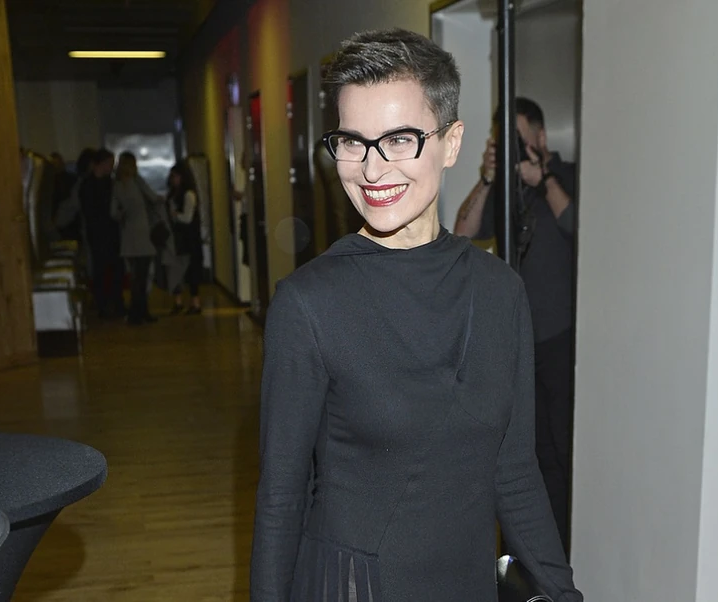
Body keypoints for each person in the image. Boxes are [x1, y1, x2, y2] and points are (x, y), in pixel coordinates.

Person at [250, 28, 583, 602]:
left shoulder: (501, 292)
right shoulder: (308, 304)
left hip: (467, 583)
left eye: (399, 139)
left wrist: (564, 593)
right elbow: (281, 497)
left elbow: (515, 473)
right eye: (352, 142)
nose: (371, 170)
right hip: (353, 587)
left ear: (451, 143)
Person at [454, 98, 578, 554]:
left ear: (541, 138)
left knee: (564, 452)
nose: (515, 149)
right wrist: (490, 178)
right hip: (516, 345)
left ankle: (564, 550)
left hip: (562, 340)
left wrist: (542, 179)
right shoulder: (505, 186)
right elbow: (462, 232)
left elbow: (580, 225)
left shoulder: (567, 175)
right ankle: (524, 555)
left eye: (521, 139)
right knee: (523, 455)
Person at [110, 152, 163, 325]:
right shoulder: (137, 181)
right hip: (143, 234)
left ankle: (136, 312)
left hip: (128, 236)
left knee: (135, 277)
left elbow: (113, 212)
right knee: (143, 276)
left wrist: (124, 214)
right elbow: (153, 197)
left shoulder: (117, 185)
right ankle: (141, 312)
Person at [80, 148, 126, 319]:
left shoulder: (106, 183)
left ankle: (114, 302)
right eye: (109, 163)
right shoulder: (89, 185)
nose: (111, 167)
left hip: (108, 232)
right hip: (99, 233)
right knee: (101, 269)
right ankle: (104, 304)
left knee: (114, 268)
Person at [167, 161, 203, 315]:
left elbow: (187, 218)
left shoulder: (188, 195)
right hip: (180, 237)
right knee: (178, 269)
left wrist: (175, 215)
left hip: (189, 238)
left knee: (190, 270)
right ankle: (180, 301)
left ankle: (194, 302)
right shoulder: (174, 195)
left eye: (175, 176)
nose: (173, 179)